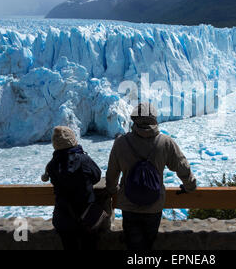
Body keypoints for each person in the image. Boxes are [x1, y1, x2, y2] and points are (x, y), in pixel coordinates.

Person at [106, 102, 197, 250]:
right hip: (154, 205)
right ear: (154, 120)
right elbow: (182, 167)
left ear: (134, 120)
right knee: (149, 243)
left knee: (132, 245)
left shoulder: (121, 142)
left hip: (129, 204)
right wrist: (190, 186)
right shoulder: (165, 142)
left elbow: (112, 174)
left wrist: (112, 191)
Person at [42, 126, 102, 251]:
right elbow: (97, 176)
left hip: (63, 218)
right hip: (87, 216)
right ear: (73, 140)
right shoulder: (84, 159)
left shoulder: (52, 165)